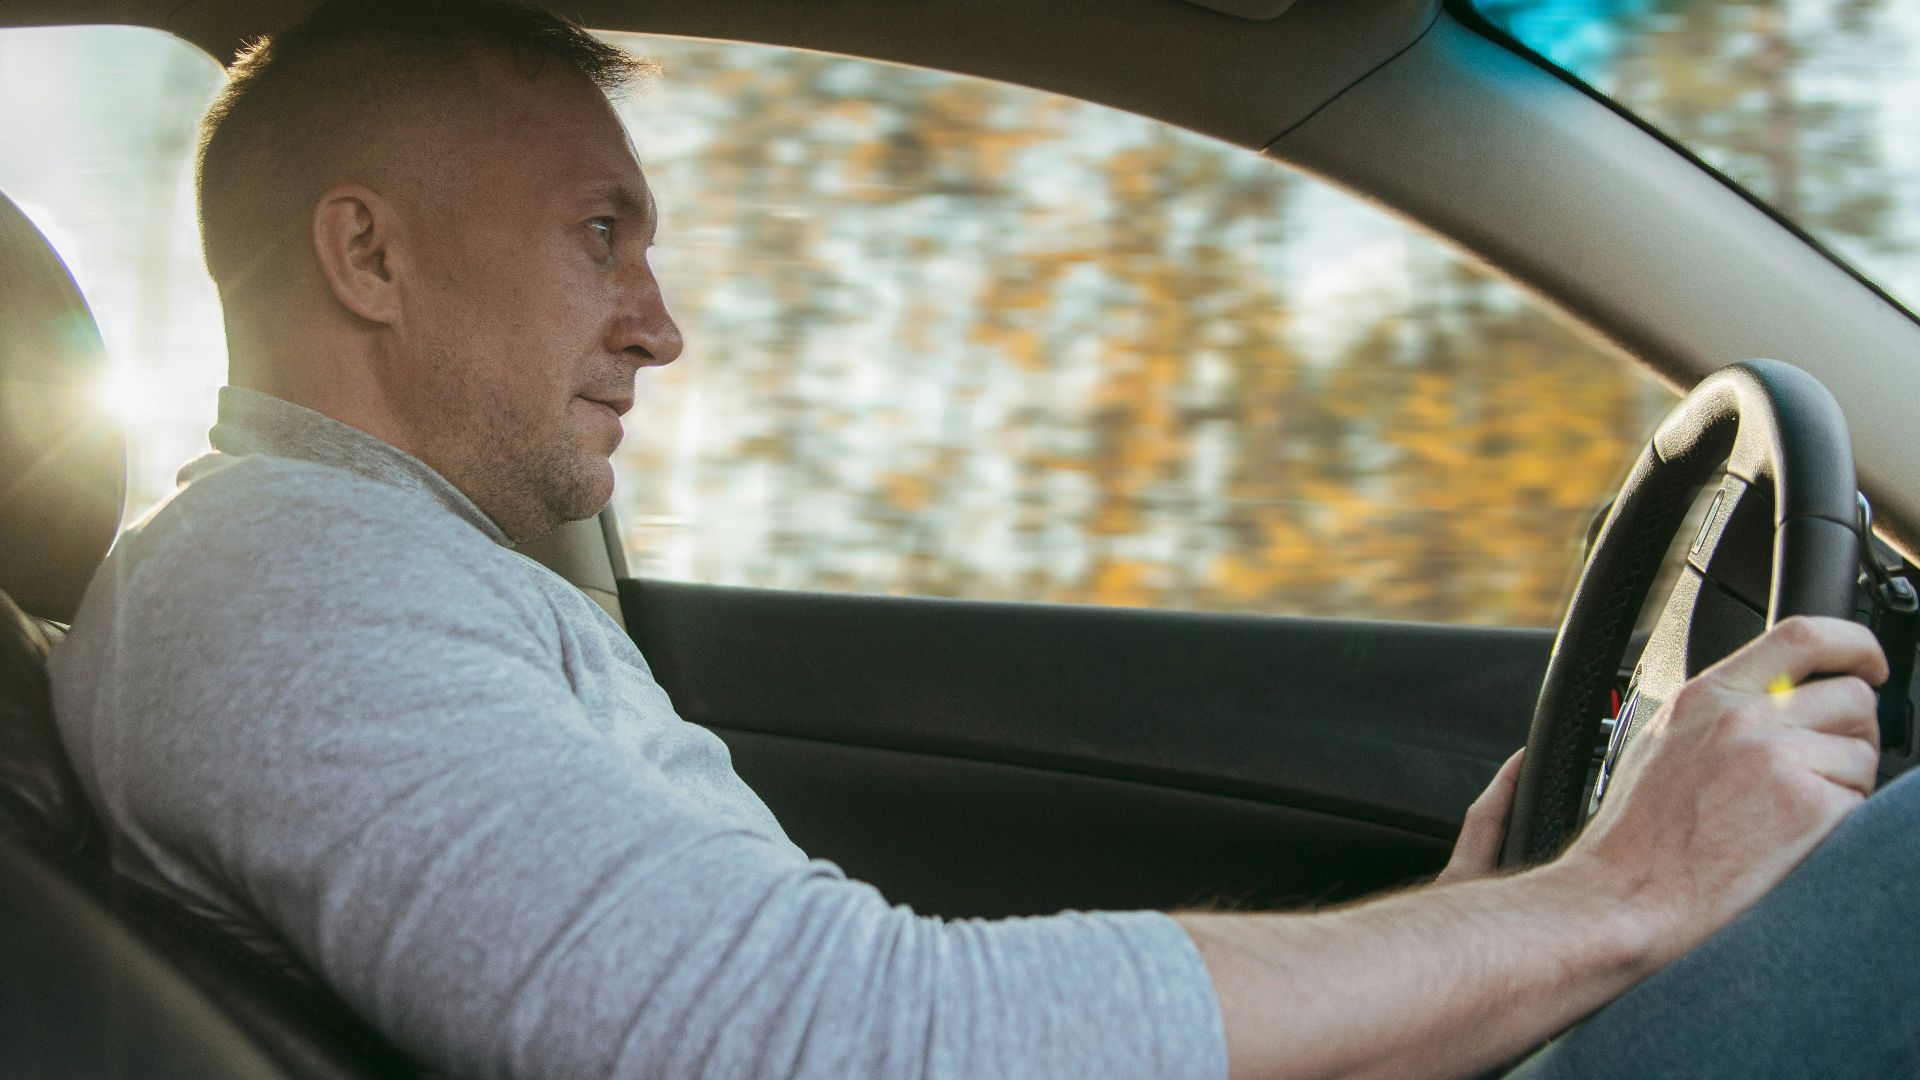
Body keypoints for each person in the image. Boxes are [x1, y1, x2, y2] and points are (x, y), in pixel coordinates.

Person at [47, 1, 1918, 1078]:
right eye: (598, 235)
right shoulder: (271, 593)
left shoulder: (389, 574)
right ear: (366, 255)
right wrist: (1617, 897)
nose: (661, 321)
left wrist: (1476, 932)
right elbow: (833, 1044)